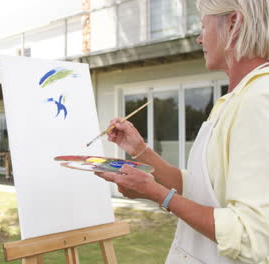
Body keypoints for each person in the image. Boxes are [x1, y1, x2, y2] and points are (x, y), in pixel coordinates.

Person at [94, 1, 269, 263]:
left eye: (202, 26)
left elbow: (252, 237)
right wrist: (140, 150)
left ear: (233, 23)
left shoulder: (259, 98)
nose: (199, 39)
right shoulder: (234, 98)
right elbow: (198, 189)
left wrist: (156, 193)